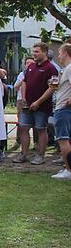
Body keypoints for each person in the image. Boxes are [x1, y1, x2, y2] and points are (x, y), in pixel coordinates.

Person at [13, 43, 58, 165]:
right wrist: (23, 97)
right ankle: (24, 154)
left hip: (42, 106)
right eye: (34, 51)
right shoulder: (31, 66)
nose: (34, 54)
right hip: (27, 106)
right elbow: (24, 82)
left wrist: (38, 102)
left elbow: (53, 87)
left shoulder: (51, 68)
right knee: (23, 128)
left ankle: (40, 155)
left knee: (41, 129)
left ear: (44, 52)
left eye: (37, 52)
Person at [51, 44, 71, 178]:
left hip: (63, 109)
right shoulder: (65, 69)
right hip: (62, 107)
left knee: (63, 139)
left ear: (66, 53)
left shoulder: (69, 68)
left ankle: (68, 170)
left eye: (60, 52)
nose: (59, 56)